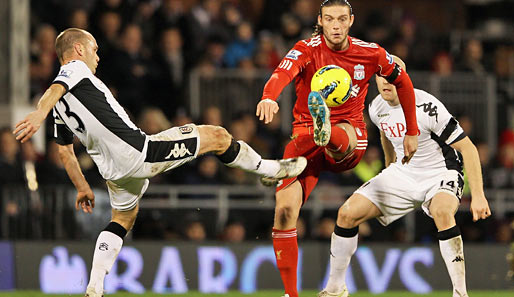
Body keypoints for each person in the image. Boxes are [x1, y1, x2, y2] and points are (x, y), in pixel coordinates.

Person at [13, 28, 307, 297]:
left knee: (122, 219)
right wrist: (37, 114)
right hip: (141, 153)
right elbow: (54, 89)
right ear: (78, 49)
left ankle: (95, 286)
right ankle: (273, 170)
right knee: (217, 136)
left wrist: (82, 187)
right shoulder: (73, 71)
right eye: (94, 49)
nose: (97, 57)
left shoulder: (60, 109)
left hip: (114, 172)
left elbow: (65, 151)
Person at [255, 1, 419, 296]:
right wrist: (269, 96)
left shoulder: (371, 53)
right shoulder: (307, 48)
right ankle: (291, 295)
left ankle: (326, 131)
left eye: (342, 19)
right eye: (329, 19)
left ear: (351, 21)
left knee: (338, 136)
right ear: (320, 20)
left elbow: (403, 82)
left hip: (349, 137)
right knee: (284, 212)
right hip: (306, 139)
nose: (335, 25)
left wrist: (412, 130)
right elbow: (282, 72)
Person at [319, 56, 491, 297]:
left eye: (393, 75)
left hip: (439, 173)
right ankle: (335, 289)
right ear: (375, 78)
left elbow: (469, 148)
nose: (387, 81)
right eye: (382, 75)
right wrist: (389, 168)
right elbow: (384, 135)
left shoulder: (426, 106)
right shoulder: (376, 106)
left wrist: (479, 196)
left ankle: (460, 293)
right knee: (346, 214)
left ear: (404, 77)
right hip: (402, 173)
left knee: (442, 212)